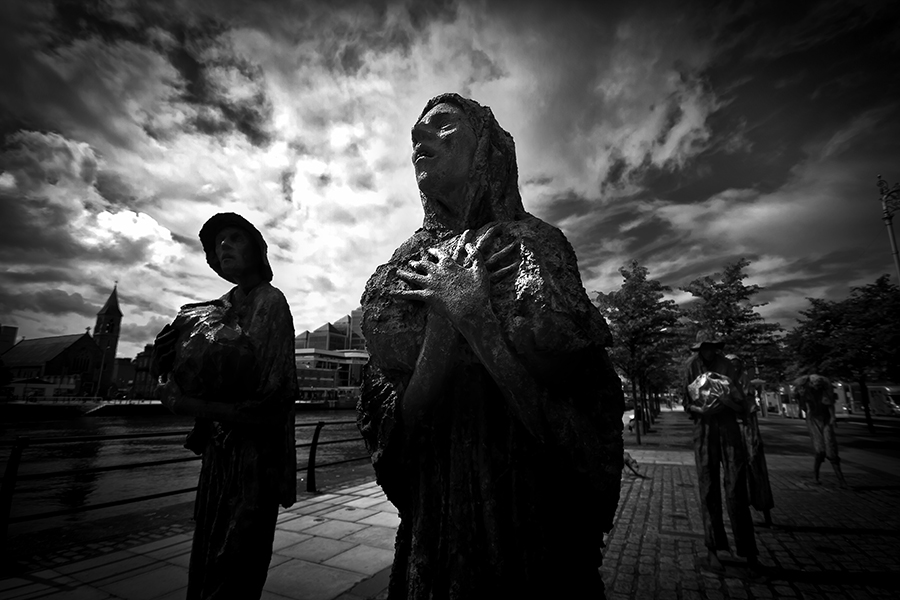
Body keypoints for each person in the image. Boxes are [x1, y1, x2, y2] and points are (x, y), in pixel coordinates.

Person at [358, 93, 624, 598]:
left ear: (486, 151)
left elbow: (568, 414)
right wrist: (443, 323)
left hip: (529, 507)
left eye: (443, 125)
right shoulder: (407, 263)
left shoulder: (535, 244)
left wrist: (477, 322)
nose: (419, 137)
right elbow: (400, 419)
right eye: (415, 131)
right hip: (437, 511)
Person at [153, 213, 297, 600]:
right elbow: (190, 372)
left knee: (235, 566)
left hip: (254, 462)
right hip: (218, 457)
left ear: (257, 250)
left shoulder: (271, 303)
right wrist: (166, 366)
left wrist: (187, 403)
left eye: (236, 238)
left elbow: (272, 406)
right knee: (205, 558)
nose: (225, 247)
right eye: (218, 244)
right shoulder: (210, 310)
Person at [683, 332, 758, 572]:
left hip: (728, 429)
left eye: (713, 348)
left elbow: (740, 401)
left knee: (736, 485)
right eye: (705, 348)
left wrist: (730, 404)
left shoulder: (726, 365)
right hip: (704, 430)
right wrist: (699, 409)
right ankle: (713, 547)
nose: (709, 352)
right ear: (699, 349)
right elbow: (687, 403)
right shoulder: (690, 367)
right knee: (708, 487)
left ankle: (748, 549)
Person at [726, 354, 774, 526]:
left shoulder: (743, 383)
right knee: (736, 471)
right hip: (733, 431)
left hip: (746, 430)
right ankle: (739, 513)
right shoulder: (726, 382)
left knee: (754, 464)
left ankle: (764, 511)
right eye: (732, 365)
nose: (735, 368)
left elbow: (744, 407)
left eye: (737, 365)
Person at [793, 374, 848, 488]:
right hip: (814, 420)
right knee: (819, 450)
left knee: (831, 449)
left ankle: (841, 480)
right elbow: (805, 406)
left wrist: (832, 418)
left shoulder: (824, 391)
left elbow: (829, 405)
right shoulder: (806, 392)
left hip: (824, 419)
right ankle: (816, 477)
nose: (817, 387)